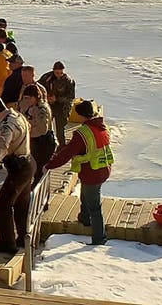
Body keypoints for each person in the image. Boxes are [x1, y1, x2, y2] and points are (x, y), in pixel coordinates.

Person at [43, 100, 113, 245]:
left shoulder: (82, 133)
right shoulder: (101, 127)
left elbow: (67, 153)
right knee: (86, 195)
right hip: (102, 168)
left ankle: (99, 238)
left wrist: (50, 165)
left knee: (95, 206)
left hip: (91, 172)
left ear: (81, 115)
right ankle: (84, 218)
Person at [0, 96, 35, 254]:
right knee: (21, 203)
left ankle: (7, 242)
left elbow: (2, 145)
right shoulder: (17, 115)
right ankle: (22, 237)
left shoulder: (6, 125)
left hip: (18, 168)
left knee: (3, 204)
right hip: (28, 162)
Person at [20, 85, 56, 188]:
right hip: (35, 142)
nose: (26, 100)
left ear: (35, 97)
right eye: (25, 98)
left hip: (43, 143)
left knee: (40, 170)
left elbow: (42, 130)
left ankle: (38, 194)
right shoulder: (31, 106)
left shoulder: (41, 109)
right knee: (34, 169)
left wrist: (27, 132)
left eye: (28, 98)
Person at [38, 61, 76, 147]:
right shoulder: (46, 77)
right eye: (57, 72)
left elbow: (70, 97)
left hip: (61, 106)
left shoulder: (68, 81)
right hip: (48, 104)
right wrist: (45, 97)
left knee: (60, 128)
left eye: (61, 73)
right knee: (45, 125)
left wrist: (57, 99)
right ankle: (46, 144)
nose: (59, 75)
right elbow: (38, 87)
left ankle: (61, 145)